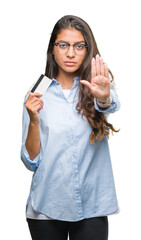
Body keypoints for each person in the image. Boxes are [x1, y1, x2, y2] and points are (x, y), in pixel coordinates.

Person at [21, 15, 120, 240]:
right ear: (53, 49)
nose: (71, 53)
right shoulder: (37, 94)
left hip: (91, 206)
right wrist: (34, 121)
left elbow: (110, 104)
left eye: (79, 46)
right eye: (63, 45)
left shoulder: (97, 87)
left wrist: (103, 97)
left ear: (87, 49)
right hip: (47, 206)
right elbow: (30, 161)